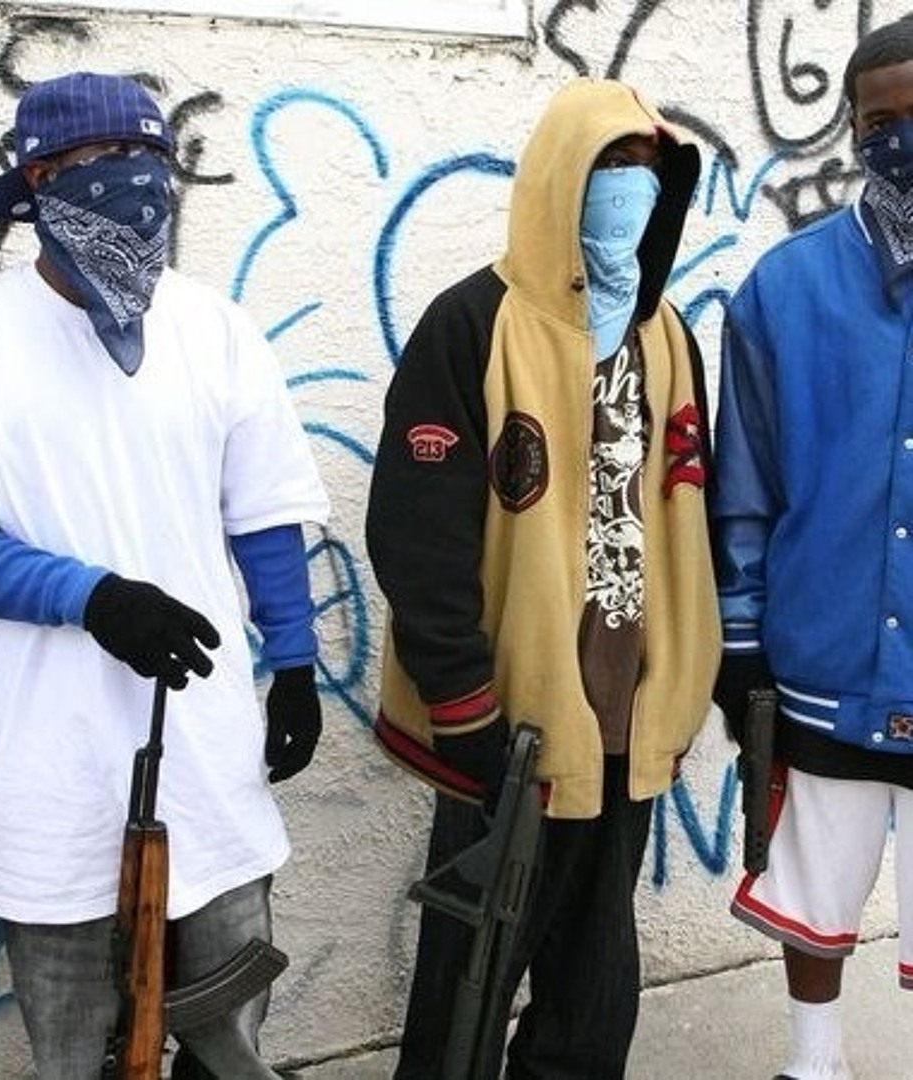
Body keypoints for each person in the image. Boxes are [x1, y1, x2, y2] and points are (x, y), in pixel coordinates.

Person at [0, 71, 329, 1080]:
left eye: (149, 159)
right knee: (76, 1051)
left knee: (230, 1042)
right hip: (58, 771)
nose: (135, 182)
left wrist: (294, 661)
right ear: (37, 183)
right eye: (99, 163)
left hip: (209, 755)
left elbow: (263, 512)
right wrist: (93, 598)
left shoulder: (216, 330)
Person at [365, 77, 721, 1080]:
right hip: (507, 722)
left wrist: (692, 679)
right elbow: (417, 534)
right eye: (612, 165)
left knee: (593, 981)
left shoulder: (665, 334)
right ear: (563, 176)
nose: (632, 188)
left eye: (649, 169)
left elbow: (690, 507)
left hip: (628, 712)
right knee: (471, 975)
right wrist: (464, 705)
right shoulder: (474, 323)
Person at [710, 17, 913, 1080]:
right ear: (852, 129)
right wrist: (740, 641)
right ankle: (814, 1063)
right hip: (824, 658)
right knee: (812, 889)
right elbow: (743, 490)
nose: (900, 140)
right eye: (881, 122)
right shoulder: (781, 290)